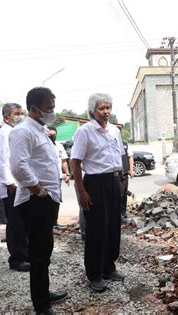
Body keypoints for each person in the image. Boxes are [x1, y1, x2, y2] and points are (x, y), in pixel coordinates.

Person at [9, 87, 67, 314]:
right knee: (39, 253)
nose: (52, 112)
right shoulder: (23, 131)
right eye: (48, 109)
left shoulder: (40, 129)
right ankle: (41, 305)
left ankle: (44, 293)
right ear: (33, 108)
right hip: (36, 200)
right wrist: (37, 189)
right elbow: (18, 165)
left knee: (44, 251)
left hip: (46, 198)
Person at [70, 92, 126, 292]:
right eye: (101, 108)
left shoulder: (114, 131)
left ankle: (108, 267)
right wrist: (81, 192)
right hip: (94, 183)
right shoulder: (85, 131)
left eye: (108, 108)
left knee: (113, 227)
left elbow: (120, 157)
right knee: (96, 229)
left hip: (112, 182)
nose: (106, 112)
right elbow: (75, 163)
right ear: (93, 111)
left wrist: (120, 180)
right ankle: (94, 274)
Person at [0, 102, 30, 272]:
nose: (20, 115)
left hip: (22, 184)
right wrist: (10, 182)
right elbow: (0, 161)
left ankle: (26, 254)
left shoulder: (18, 131)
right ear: (6, 117)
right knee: (15, 223)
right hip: (11, 186)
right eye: (16, 113)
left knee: (25, 222)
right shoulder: (2, 134)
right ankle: (17, 259)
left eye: (21, 112)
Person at [47, 126, 70, 229]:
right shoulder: (43, 146)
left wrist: (67, 174)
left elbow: (64, 161)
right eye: (50, 135)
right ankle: (47, 222)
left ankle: (54, 221)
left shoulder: (59, 146)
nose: (52, 136)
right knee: (47, 200)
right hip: (47, 179)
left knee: (57, 200)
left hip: (58, 178)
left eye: (53, 135)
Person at [116, 124, 134, 218]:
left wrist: (131, 169)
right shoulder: (111, 143)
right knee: (115, 193)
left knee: (124, 192)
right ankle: (116, 212)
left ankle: (123, 211)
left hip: (124, 172)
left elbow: (130, 157)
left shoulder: (125, 144)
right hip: (114, 173)